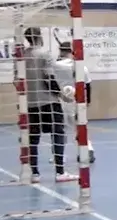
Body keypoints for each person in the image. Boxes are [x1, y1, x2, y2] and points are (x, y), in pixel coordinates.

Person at [23, 27, 77, 183]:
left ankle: (35, 174)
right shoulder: (44, 54)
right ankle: (60, 172)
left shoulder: (22, 57)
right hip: (49, 102)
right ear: (39, 37)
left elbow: (17, 81)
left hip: (31, 103)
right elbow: (48, 78)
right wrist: (61, 95)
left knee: (33, 138)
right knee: (58, 134)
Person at [51, 42, 95, 164]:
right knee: (80, 127)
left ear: (61, 51)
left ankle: (59, 155)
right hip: (79, 101)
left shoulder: (55, 65)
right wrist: (88, 102)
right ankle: (87, 149)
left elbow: (50, 79)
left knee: (60, 129)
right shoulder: (81, 67)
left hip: (61, 100)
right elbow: (88, 85)